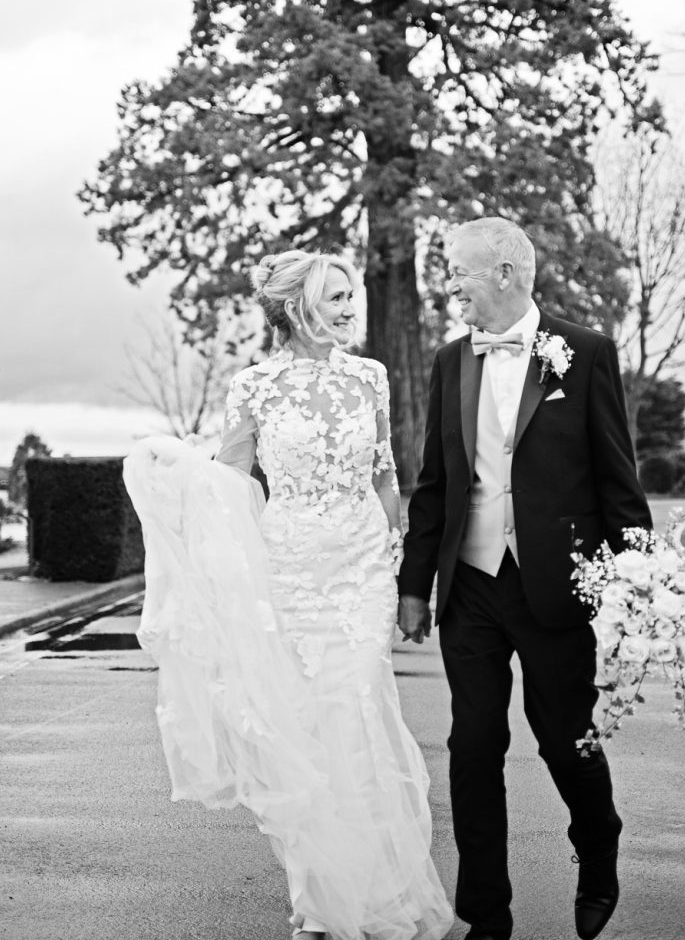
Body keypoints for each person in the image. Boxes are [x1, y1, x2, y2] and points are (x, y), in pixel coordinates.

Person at [124, 249, 452, 940]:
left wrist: (390, 551)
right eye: (335, 297)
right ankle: (319, 899)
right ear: (296, 305)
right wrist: (176, 469)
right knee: (309, 736)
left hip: (361, 573)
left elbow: (386, 473)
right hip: (291, 570)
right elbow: (231, 481)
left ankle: (384, 897)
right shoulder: (255, 387)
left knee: (357, 721)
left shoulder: (371, 377)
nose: (349, 308)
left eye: (350, 295)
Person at [397, 217, 652, 940]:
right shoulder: (452, 362)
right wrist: (416, 585)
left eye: (459, 273)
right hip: (471, 584)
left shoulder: (588, 354)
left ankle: (598, 843)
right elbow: (435, 483)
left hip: (555, 585)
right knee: (472, 745)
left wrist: (636, 587)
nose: (450, 287)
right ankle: (486, 915)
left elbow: (618, 481)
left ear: (505, 273)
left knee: (564, 736)